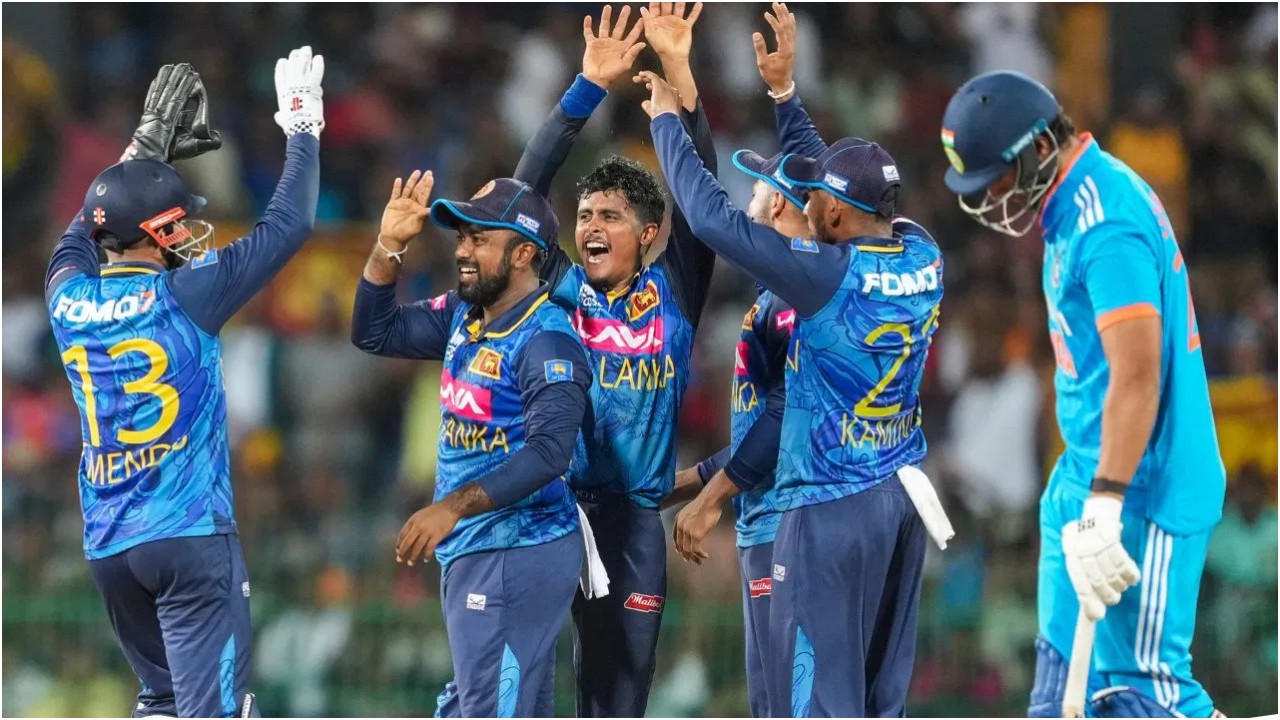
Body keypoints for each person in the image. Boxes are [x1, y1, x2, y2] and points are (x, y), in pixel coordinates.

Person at [641, 53, 945, 715]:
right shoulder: (922, 251)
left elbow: (712, 221)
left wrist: (665, 123)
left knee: (812, 703)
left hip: (828, 501)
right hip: (899, 495)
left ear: (830, 211)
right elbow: (843, 194)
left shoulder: (819, 281)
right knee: (874, 700)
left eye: (817, 198)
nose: (810, 203)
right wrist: (784, 95)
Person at [45, 49, 323, 718]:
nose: (186, 230)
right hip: (189, 538)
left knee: (162, 701)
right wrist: (303, 127)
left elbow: (83, 227)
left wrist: (141, 151)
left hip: (110, 545)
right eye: (175, 221)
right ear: (155, 232)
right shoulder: (187, 295)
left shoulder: (65, 298)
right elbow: (290, 224)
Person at [940, 70, 1226, 718]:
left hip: (1144, 489)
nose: (992, 197)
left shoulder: (1106, 222)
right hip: (1085, 477)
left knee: (1140, 693)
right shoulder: (1070, 206)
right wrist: (1085, 495)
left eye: (998, 178)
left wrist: (1106, 505)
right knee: (1057, 698)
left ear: (1041, 147)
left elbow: (1137, 376)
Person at [511, 4, 719, 715]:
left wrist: (680, 73)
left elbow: (703, 191)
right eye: (585, 216)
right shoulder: (561, 288)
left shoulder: (675, 291)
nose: (591, 227)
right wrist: (586, 90)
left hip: (633, 525)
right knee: (519, 686)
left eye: (610, 216)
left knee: (618, 697)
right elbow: (518, 202)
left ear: (651, 232)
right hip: (553, 509)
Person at [350, 172, 591, 718]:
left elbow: (550, 453)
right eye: (462, 237)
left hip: (515, 550)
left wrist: (452, 507)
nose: (463, 250)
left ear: (524, 253)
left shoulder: (546, 339)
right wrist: (389, 246)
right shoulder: (466, 316)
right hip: (481, 550)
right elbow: (374, 332)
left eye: (480, 239)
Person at [664, 149, 807, 719]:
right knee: (772, 705)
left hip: (786, 524)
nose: (747, 202)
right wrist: (689, 482)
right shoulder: (781, 292)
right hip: (766, 521)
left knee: (794, 705)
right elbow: (759, 428)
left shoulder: (796, 297)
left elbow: (786, 417)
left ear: (780, 204)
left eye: (755, 190)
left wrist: (711, 499)